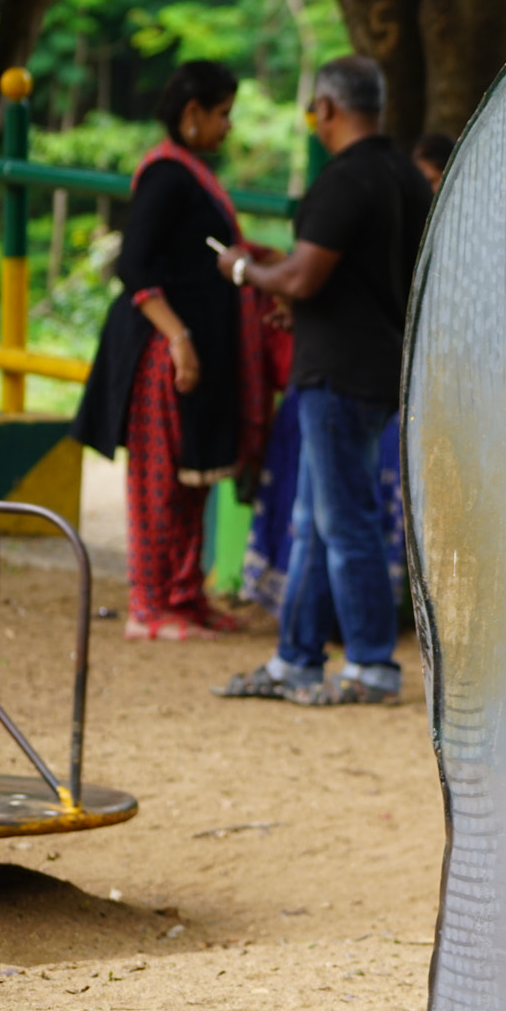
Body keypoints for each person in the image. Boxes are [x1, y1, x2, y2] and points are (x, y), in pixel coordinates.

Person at [213, 56, 432, 705]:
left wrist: (242, 270)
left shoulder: (343, 180)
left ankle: (371, 666)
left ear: (327, 110)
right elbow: (350, 275)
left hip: (336, 374)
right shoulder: (406, 179)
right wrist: (294, 281)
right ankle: (295, 659)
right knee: (314, 519)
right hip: (381, 366)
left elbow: (305, 277)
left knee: (344, 521)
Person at [73, 60, 270, 641]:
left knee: (194, 476)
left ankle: (184, 594)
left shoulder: (192, 174)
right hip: (165, 349)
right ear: (192, 115)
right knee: (158, 479)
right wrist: (178, 337)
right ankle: (149, 604)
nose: (228, 127)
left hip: (200, 344)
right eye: (222, 114)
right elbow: (134, 266)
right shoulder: (165, 175)